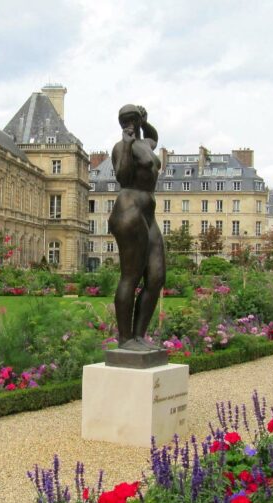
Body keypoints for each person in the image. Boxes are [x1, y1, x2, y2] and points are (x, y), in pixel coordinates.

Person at [109, 104, 165, 351]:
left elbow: (154, 137)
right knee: (130, 276)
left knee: (156, 277)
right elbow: (122, 176)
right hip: (129, 210)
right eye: (127, 121)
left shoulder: (146, 145)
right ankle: (125, 339)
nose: (130, 125)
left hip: (148, 214)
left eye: (134, 120)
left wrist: (145, 122)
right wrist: (128, 144)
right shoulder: (121, 147)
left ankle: (139, 336)